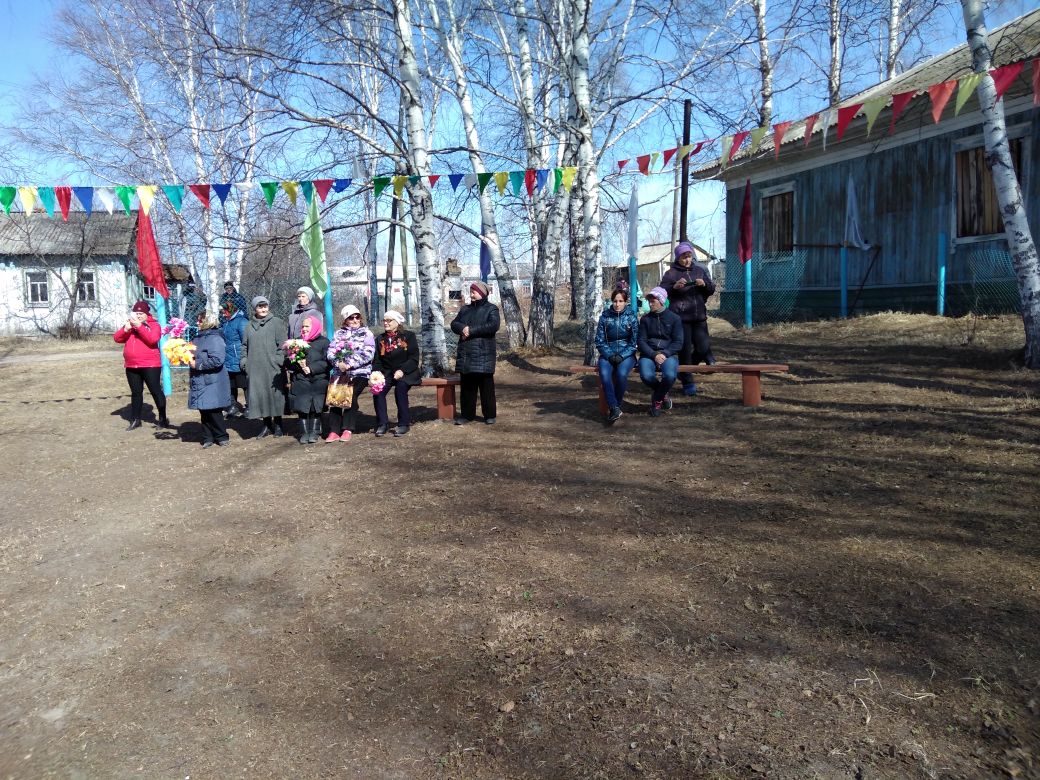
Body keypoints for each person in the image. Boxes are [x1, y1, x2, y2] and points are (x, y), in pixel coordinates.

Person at [660, 241, 716, 395]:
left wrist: (704, 284)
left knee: (703, 348)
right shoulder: (671, 273)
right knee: (684, 352)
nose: (687, 260)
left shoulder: (699, 270)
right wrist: (674, 287)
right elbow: (662, 291)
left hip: (699, 317)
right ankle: (688, 382)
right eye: (684, 257)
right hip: (680, 318)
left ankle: (683, 372)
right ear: (678, 258)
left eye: (689, 256)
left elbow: (711, 289)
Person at [451, 281, 501, 425]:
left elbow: (493, 326)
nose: (471, 294)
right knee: (467, 388)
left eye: (474, 291)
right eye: (471, 291)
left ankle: (489, 415)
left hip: (483, 354)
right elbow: (454, 324)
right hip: (466, 353)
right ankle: (467, 415)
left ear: (482, 293)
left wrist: (470, 330)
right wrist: (462, 328)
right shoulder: (465, 309)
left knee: (486, 388)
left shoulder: (491, 309)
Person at [113, 300, 169, 430]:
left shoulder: (154, 325)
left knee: (155, 391)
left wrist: (140, 326)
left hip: (150, 365)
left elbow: (152, 339)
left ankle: (162, 418)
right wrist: (125, 329)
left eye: (141, 313)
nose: (138, 316)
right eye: (136, 313)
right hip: (132, 365)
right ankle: (135, 419)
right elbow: (117, 338)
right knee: (136, 393)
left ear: (146, 314)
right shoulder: (131, 325)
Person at [326, 305, 376, 443]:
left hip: (360, 372)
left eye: (357, 316)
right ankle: (334, 430)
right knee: (336, 398)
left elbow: (368, 353)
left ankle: (347, 428)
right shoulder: (338, 334)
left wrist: (350, 364)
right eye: (351, 317)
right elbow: (330, 352)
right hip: (340, 371)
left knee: (350, 394)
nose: (355, 320)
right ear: (345, 320)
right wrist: (338, 363)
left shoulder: (367, 334)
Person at [242, 296, 288, 438]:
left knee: (275, 396)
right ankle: (266, 425)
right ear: (254, 308)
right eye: (260, 307)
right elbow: (244, 346)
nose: (263, 309)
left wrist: (278, 360)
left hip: (273, 367)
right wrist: (244, 362)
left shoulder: (276, 323)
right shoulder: (249, 326)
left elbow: (283, 345)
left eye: (265, 306)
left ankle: (279, 425)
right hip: (255, 368)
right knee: (260, 396)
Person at [372, 309, 420, 437]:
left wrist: (402, 370)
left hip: (406, 372)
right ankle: (382, 423)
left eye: (389, 320)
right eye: (384, 320)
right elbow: (377, 360)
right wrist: (376, 375)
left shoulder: (409, 336)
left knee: (400, 388)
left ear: (397, 322)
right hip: (387, 373)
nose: (386, 323)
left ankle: (404, 423)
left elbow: (414, 359)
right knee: (378, 390)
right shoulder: (380, 339)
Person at [595, 286, 639, 423]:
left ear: (625, 302)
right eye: (615, 301)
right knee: (604, 374)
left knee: (621, 374)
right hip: (608, 353)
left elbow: (634, 342)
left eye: (620, 301)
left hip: (627, 354)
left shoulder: (631, 317)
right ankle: (614, 407)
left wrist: (622, 355)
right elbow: (599, 341)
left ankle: (616, 404)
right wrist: (609, 355)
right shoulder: (605, 317)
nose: (617, 304)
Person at [637, 286, 684, 417]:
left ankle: (657, 400)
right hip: (649, 354)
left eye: (653, 301)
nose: (650, 304)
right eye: (649, 301)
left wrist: (665, 354)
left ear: (661, 301)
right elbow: (641, 341)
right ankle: (663, 394)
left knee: (669, 376)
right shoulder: (645, 319)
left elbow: (678, 342)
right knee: (646, 376)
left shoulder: (674, 318)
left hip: (668, 354)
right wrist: (653, 354)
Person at [188, 316, 232, 448]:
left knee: (213, 410)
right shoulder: (197, 338)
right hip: (199, 378)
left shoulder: (215, 338)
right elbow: (190, 354)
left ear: (208, 321)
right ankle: (207, 437)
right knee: (203, 410)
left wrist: (198, 364)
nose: (197, 322)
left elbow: (217, 360)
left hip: (212, 379)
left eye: (200, 320)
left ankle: (221, 436)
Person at [286, 315, 330, 444]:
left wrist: (312, 368)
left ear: (315, 327)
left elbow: (328, 362)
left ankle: (315, 431)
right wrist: (296, 362)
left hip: (319, 377)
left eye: (307, 326)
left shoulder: (324, 342)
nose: (304, 329)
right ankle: (304, 432)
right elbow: (288, 363)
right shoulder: (296, 342)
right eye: (303, 326)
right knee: (302, 404)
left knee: (316, 405)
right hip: (301, 378)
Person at [221, 301, 249, 417]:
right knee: (231, 385)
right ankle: (233, 406)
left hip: (239, 358)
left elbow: (246, 340)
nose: (222, 315)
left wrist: (245, 357)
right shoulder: (226, 322)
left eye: (224, 312)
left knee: (245, 384)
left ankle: (250, 407)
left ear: (230, 310)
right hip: (228, 359)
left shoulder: (242, 322)